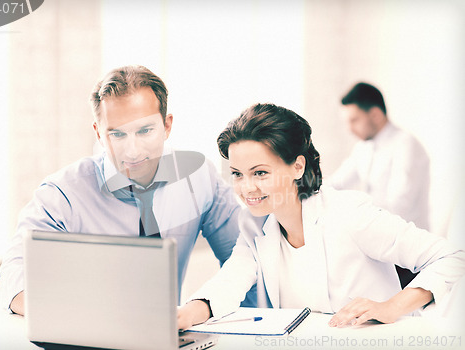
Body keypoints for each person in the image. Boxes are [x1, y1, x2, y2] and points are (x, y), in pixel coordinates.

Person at [177, 103, 465, 330]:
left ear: (297, 167)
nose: (246, 188)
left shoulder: (349, 213)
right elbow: (230, 281)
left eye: (260, 172)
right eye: (237, 175)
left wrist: (392, 306)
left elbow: (452, 256)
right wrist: (183, 316)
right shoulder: (254, 224)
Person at [0, 65, 249, 316]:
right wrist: (77, 317)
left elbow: (246, 257)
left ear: (167, 126)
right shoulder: (63, 194)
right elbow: (13, 276)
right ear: (98, 133)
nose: (133, 151)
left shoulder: (199, 178)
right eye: (117, 135)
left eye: (145, 131)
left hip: (170, 338)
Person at [329, 82, 431, 287]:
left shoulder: (405, 145)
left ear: (375, 114)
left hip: (406, 254)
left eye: (354, 120)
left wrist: (353, 216)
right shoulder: (363, 148)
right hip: (380, 248)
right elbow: (335, 183)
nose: (350, 129)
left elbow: (399, 205)